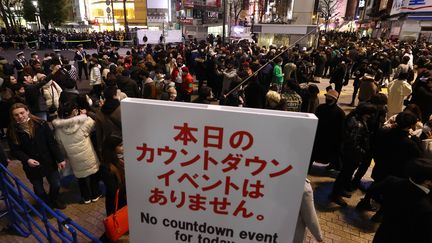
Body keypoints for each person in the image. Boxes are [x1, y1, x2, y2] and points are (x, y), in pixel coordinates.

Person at [7, 103, 67, 209]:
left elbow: (51, 142)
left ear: (27, 111)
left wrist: (60, 158)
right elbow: (15, 150)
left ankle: (53, 200)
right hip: (31, 165)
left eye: (22, 113)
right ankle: (46, 204)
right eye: (16, 115)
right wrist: (27, 159)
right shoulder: (12, 130)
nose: (20, 116)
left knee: (56, 184)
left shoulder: (41, 124)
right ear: (13, 117)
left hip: (48, 161)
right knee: (39, 189)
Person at [371, 158, 432, 243]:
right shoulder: (426, 208)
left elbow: (373, 190)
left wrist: (383, 204)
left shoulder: (391, 181)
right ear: (427, 181)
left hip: (383, 234)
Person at [52, 102, 101, 204]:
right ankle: (95, 195)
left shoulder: (58, 130)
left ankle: (86, 197)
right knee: (93, 175)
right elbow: (95, 122)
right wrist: (85, 114)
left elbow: (60, 147)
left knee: (81, 179)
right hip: (88, 156)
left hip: (74, 158)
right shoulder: (84, 122)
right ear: (74, 111)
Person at [330, 103, 377, 206]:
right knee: (345, 174)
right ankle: (335, 195)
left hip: (350, 153)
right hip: (352, 154)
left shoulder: (354, 118)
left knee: (345, 174)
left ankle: (339, 191)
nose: (370, 117)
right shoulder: (358, 124)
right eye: (370, 114)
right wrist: (363, 153)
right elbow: (353, 142)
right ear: (365, 113)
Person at [310, 89, 346, 171]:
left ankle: (332, 165)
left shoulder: (340, 113)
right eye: (327, 97)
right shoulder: (320, 108)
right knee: (314, 153)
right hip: (319, 136)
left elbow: (341, 129)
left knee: (331, 155)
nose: (328, 99)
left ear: (335, 100)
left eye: (331, 98)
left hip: (331, 139)